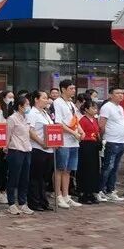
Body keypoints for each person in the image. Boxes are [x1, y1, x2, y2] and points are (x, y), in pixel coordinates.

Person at [52, 79, 83, 209]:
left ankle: (66, 195)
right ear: (63, 89)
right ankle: (58, 195)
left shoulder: (71, 104)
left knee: (68, 170)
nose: (73, 91)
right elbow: (58, 123)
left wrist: (81, 131)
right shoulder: (57, 103)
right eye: (71, 88)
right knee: (60, 168)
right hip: (63, 141)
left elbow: (76, 120)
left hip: (74, 142)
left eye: (74, 88)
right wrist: (73, 132)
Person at [5, 96, 34, 215]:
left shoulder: (27, 118)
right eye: (26, 104)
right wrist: (5, 147)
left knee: (25, 178)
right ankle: (11, 203)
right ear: (20, 106)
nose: (28, 107)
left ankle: (22, 203)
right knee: (13, 178)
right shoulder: (12, 118)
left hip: (27, 150)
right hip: (15, 150)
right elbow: (8, 135)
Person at [27, 91, 54, 211]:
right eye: (44, 98)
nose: (46, 100)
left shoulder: (45, 113)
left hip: (49, 150)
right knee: (35, 177)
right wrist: (41, 142)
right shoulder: (32, 113)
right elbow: (30, 130)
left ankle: (43, 201)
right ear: (36, 99)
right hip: (37, 149)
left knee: (44, 178)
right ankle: (34, 202)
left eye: (47, 98)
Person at [98, 88, 124, 202]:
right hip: (111, 141)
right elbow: (102, 125)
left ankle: (110, 190)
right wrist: (103, 137)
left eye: (121, 93)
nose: (120, 95)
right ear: (111, 95)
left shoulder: (120, 108)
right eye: (117, 93)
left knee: (115, 168)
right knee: (107, 167)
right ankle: (99, 190)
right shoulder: (107, 107)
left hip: (120, 142)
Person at [77, 99, 101, 204]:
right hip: (85, 145)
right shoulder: (83, 120)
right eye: (93, 108)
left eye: (96, 108)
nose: (95, 110)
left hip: (94, 145)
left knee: (94, 169)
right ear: (86, 109)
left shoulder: (95, 119)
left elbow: (97, 131)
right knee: (86, 168)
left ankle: (91, 192)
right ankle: (84, 193)